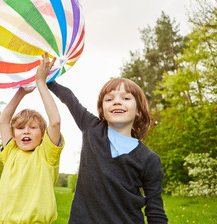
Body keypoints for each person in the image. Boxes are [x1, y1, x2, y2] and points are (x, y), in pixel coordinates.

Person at [47, 78, 168, 224]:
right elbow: (69, 97)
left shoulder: (149, 159)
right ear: (102, 111)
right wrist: (48, 80)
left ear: (139, 111)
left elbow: (155, 211)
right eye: (109, 99)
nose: (116, 101)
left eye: (126, 98)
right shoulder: (91, 128)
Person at [0, 53, 65, 224]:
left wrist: (41, 83)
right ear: (13, 135)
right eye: (20, 128)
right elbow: (3, 121)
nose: (26, 131)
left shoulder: (47, 155)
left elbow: (55, 121)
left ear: (43, 135)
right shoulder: (10, 152)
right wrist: (21, 92)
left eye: (33, 128)